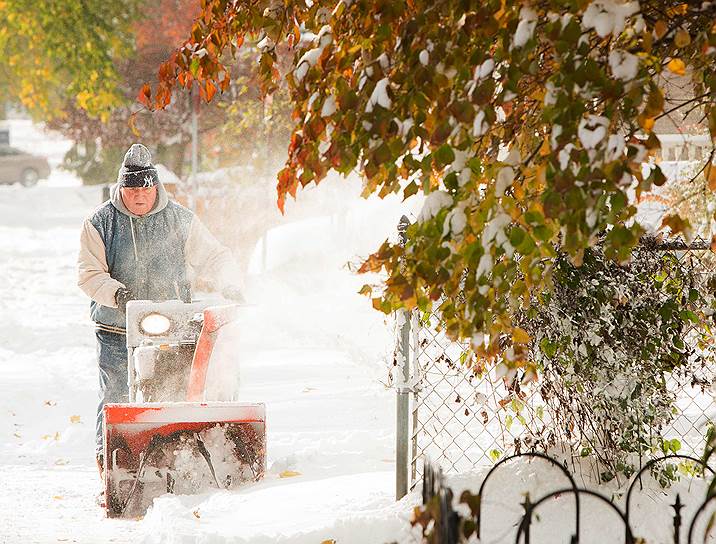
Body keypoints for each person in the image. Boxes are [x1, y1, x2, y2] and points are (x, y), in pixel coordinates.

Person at [77, 143, 244, 477]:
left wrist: (228, 282)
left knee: (183, 389)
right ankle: (109, 461)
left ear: (156, 188)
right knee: (116, 393)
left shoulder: (180, 220)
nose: (139, 195)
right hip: (116, 327)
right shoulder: (99, 224)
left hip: (173, 325)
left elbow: (213, 255)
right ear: (121, 188)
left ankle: (184, 454)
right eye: (132, 189)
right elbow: (89, 274)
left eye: (145, 188)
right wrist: (118, 295)